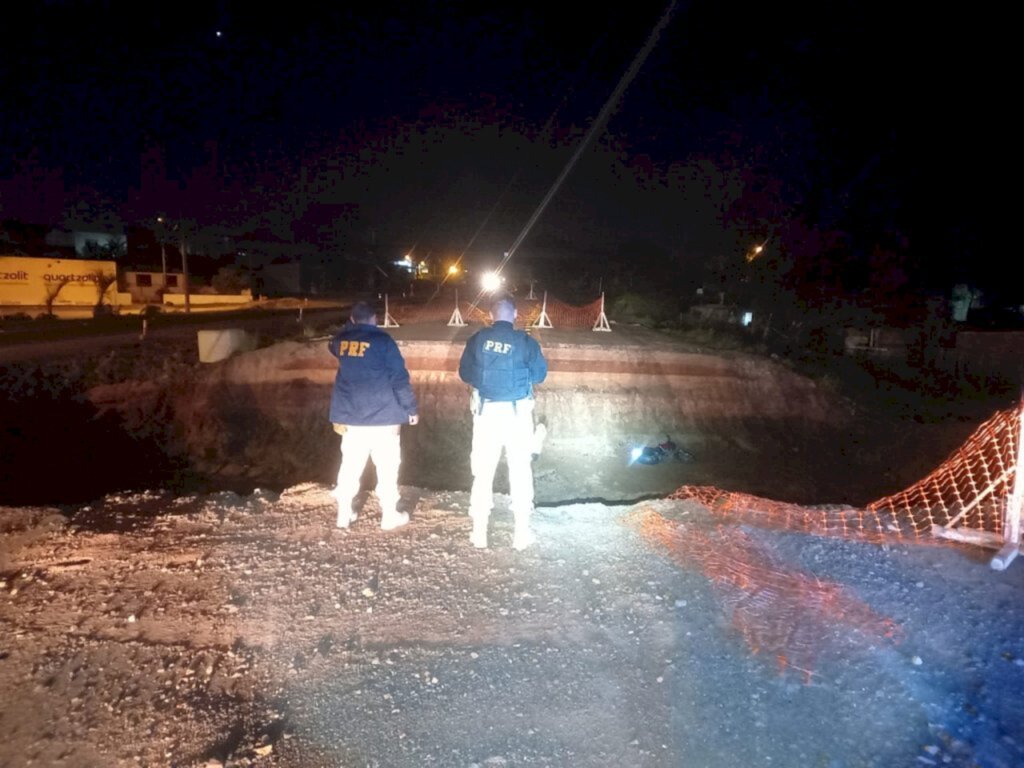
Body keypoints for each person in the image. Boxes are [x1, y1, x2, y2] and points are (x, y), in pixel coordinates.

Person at [458, 294, 548, 550]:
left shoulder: (477, 339)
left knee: (483, 471)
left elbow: (465, 373)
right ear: (516, 315)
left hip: (486, 413)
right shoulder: (526, 342)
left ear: (490, 315)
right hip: (517, 415)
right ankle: (521, 535)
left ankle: (479, 533)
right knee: (520, 471)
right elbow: (540, 375)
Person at [328, 301, 419, 530]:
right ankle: (389, 516)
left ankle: (343, 515)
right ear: (375, 319)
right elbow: (399, 379)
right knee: (387, 467)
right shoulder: (384, 341)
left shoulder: (341, 342)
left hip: (352, 417)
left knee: (350, 465)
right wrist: (410, 408)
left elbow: (333, 344)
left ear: (352, 319)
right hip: (385, 417)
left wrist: (351, 328)